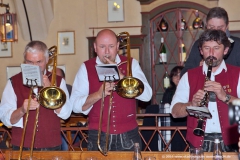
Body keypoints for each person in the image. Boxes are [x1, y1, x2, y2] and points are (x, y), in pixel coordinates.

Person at [70, 29, 152, 151]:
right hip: (97, 135)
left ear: (118, 46)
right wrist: (98, 95)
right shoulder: (86, 68)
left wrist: (123, 78)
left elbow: (147, 96)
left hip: (128, 135)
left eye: (111, 46)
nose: (107, 52)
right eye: (102, 47)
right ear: (95, 47)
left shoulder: (131, 64)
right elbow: (75, 105)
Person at [171, 29, 240, 152]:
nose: (211, 53)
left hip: (232, 143)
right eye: (207, 48)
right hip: (198, 143)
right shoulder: (188, 76)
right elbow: (175, 112)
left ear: (226, 50)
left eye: (216, 48)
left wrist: (225, 97)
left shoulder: (237, 74)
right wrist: (192, 104)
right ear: (201, 51)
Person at [0, 41, 72, 151]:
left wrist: (50, 89)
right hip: (22, 146)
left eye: (39, 62)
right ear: (24, 60)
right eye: (30, 62)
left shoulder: (58, 81)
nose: (34, 67)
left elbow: (66, 114)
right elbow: (5, 118)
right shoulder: (13, 82)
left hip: (51, 146)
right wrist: (22, 110)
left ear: (47, 60)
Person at [181, 7, 240, 76]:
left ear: (227, 26)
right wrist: (198, 69)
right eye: (211, 27)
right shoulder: (198, 44)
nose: (215, 31)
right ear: (206, 25)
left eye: (220, 28)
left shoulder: (238, 45)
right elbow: (184, 75)